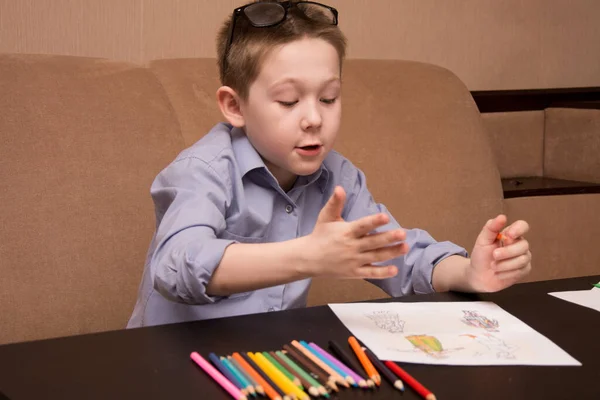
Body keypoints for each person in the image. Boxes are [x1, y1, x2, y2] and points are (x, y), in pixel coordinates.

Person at [127, 0, 532, 328]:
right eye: (288, 100)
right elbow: (177, 264)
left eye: (328, 98)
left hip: (271, 366)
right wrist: (308, 255)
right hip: (174, 365)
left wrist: (469, 273)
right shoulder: (202, 170)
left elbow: (397, 255)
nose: (314, 118)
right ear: (235, 106)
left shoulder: (338, 177)